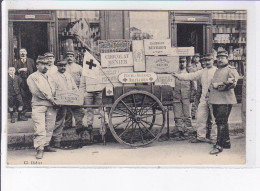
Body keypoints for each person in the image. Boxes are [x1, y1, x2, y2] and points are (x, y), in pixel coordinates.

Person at [172, 54, 218, 143]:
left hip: (214, 97)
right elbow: (190, 76)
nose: (207, 62)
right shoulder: (202, 71)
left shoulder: (217, 71)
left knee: (214, 119)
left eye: (209, 60)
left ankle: (214, 137)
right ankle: (201, 137)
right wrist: (177, 76)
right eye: (206, 60)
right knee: (200, 117)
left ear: (213, 60)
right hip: (204, 98)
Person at [208, 50, 239, 154]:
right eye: (219, 57)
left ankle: (219, 145)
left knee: (220, 122)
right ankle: (226, 142)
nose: (220, 59)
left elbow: (232, 84)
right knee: (222, 121)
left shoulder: (231, 69)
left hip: (225, 100)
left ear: (227, 59)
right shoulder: (218, 70)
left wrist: (218, 85)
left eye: (222, 57)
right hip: (216, 100)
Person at [27, 56, 58, 159]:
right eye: (43, 64)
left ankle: (46, 145)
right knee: (39, 128)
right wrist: (51, 99)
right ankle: (39, 149)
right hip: (39, 105)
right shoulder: (32, 77)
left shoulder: (50, 77)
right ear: (37, 65)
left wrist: (58, 98)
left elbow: (55, 89)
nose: (45, 66)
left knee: (49, 127)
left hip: (51, 106)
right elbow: (37, 91)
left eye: (47, 64)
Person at [51, 60, 79, 148]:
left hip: (70, 101)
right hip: (60, 102)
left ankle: (82, 134)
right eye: (61, 66)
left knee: (79, 113)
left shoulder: (68, 75)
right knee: (59, 121)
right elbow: (52, 90)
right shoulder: (53, 77)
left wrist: (77, 95)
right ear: (57, 67)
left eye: (64, 66)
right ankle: (56, 141)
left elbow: (74, 87)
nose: (63, 68)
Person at [172, 57, 196, 140]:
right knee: (177, 114)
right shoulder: (174, 72)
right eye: (180, 62)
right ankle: (179, 130)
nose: (182, 64)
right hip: (176, 96)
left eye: (183, 62)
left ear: (186, 63)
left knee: (187, 114)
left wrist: (192, 95)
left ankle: (188, 131)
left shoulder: (189, 72)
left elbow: (194, 85)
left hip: (187, 96)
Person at [64, 51, 84, 129]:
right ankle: (68, 123)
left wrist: (81, 89)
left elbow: (83, 78)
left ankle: (79, 124)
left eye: (71, 56)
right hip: (67, 89)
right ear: (66, 58)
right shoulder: (64, 67)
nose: (69, 58)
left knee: (78, 107)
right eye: (68, 56)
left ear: (74, 58)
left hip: (77, 89)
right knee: (68, 108)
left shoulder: (79, 67)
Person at [14, 48, 36, 116]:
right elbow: (14, 71)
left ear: (26, 53)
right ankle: (24, 110)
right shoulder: (16, 61)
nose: (22, 53)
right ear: (19, 53)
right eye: (21, 52)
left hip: (29, 80)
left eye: (23, 51)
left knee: (30, 94)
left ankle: (30, 109)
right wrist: (19, 70)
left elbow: (34, 70)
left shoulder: (31, 61)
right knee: (22, 95)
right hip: (21, 81)